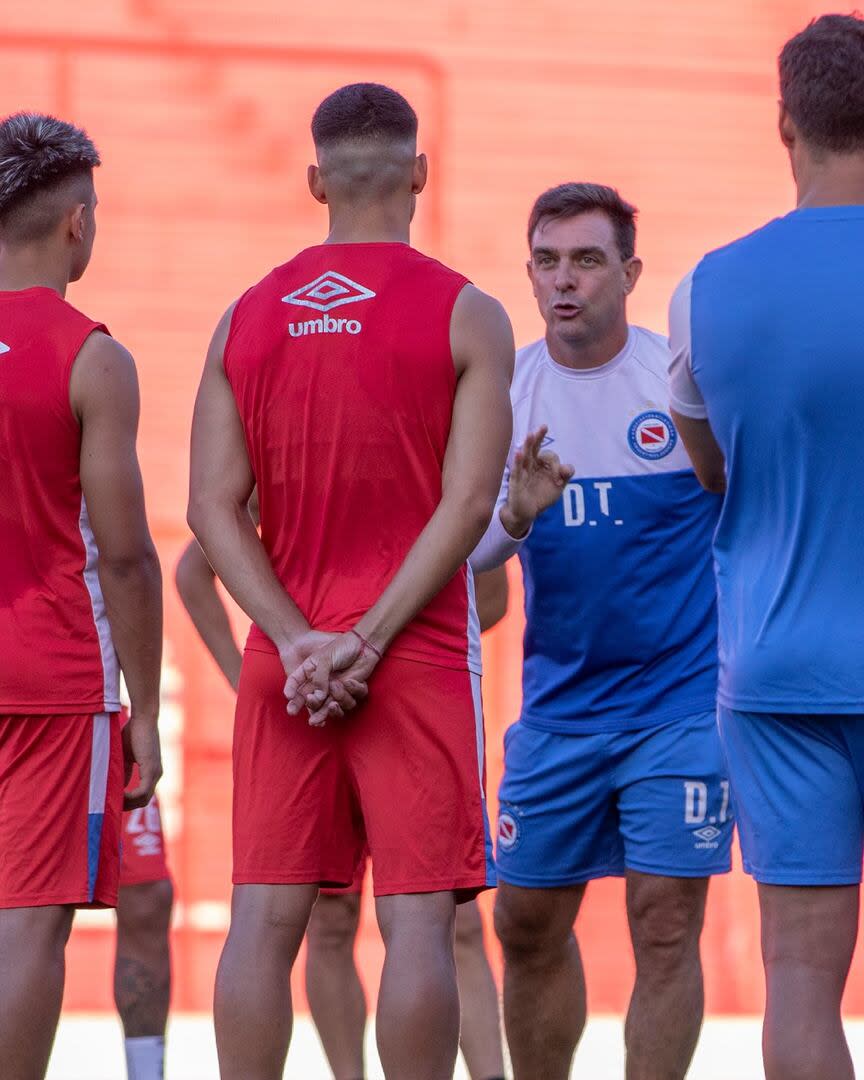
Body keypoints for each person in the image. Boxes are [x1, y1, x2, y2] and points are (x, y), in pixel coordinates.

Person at [187, 82, 513, 1080]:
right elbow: (466, 509)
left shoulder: (246, 316)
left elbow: (209, 512)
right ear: (419, 173)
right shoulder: (470, 314)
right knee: (416, 924)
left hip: (287, 662)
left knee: (264, 918)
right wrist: (366, 642)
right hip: (411, 654)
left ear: (315, 179)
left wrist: (296, 642)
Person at [471, 182, 732, 1080]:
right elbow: (463, 560)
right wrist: (516, 516)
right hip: (557, 715)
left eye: (586, 260)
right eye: (546, 261)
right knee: (525, 923)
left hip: (679, 709)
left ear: (631, 273)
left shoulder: (680, 383)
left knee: (665, 925)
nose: (563, 280)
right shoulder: (503, 396)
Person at [668, 15, 864, 1080]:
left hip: (781, 667)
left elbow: (712, 471)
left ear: (786, 123)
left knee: (799, 975)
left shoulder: (707, 288)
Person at [176, 536, 507, 1080]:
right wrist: (268, 668)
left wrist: (384, 638)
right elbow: (197, 559)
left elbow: (489, 593)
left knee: (444, 919)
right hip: (313, 700)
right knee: (328, 919)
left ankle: (490, 1074)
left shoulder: (432, 472)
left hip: (390, 689)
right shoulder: (295, 467)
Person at [0, 112, 162, 1079]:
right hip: (52, 674)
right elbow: (128, 557)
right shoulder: (90, 355)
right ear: (74, 220)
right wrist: (142, 709)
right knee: (26, 924)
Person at [114, 721, 174, 1080]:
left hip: (102, 717)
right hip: (20, 718)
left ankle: (147, 1075)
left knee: (148, 898)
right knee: (27, 910)